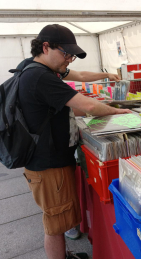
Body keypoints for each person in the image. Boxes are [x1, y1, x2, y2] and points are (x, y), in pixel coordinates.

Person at [19, 24, 131, 259]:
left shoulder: (40, 68)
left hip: (48, 159)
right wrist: (120, 112)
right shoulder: (40, 76)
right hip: (47, 164)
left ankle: (65, 254)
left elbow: (80, 76)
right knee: (55, 223)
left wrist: (106, 75)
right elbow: (88, 105)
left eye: (72, 55)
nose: (69, 60)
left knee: (58, 218)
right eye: (66, 53)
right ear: (46, 47)